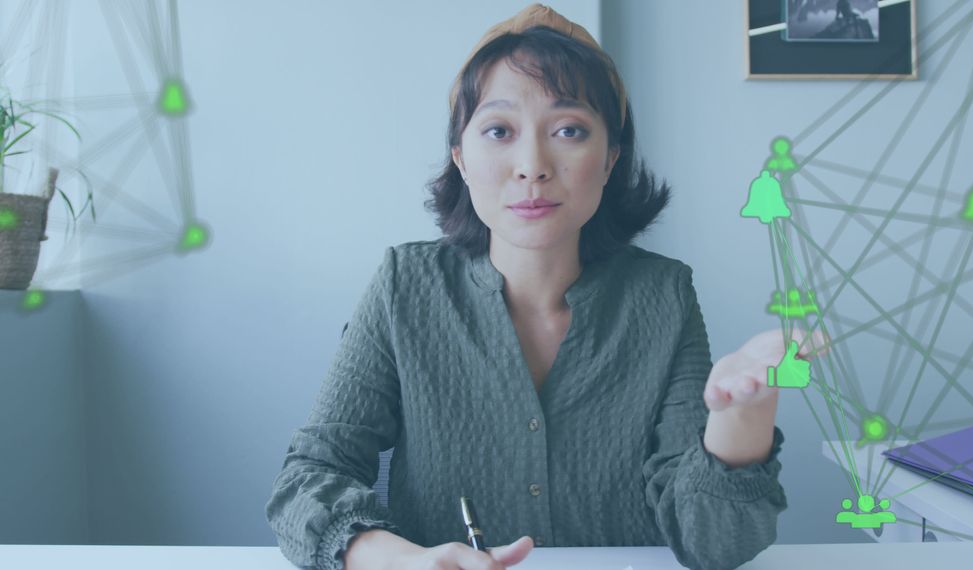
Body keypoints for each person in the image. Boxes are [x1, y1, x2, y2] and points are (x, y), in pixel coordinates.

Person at [265, 4, 826, 570]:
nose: (532, 165)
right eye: (499, 131)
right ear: (461, 157)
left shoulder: (665, 294)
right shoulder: (402, 286)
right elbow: (309, 479)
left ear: (610, 159)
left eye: (568, 130)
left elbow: (714, 545)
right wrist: (396, 559)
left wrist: (742, 417)